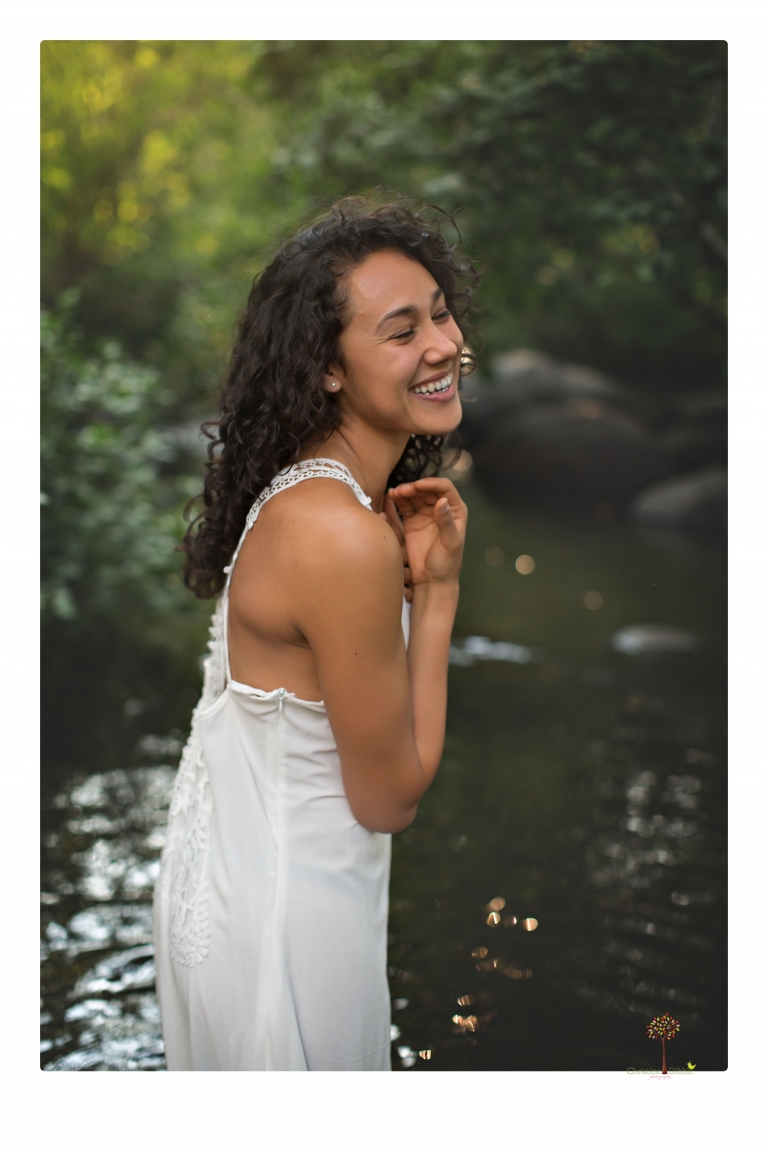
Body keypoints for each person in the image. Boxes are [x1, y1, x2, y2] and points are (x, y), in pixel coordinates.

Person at [153, 197, 477, 1070]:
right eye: (401, 331)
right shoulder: (338, 534)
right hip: (290, 928)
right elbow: (388, 798)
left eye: (440, 313)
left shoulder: (304, 494)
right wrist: (438, 597)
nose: (443, 345)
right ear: (326, 367)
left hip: (229, 891)